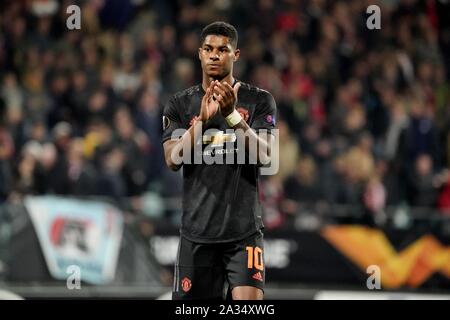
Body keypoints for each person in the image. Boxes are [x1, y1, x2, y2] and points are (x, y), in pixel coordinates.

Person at [162, 21, 277, 300]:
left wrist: (233, 117)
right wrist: (201, 122)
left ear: (235, 55)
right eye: (209, 49)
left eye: (223, 50)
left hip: (243, 234)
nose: (215, 55)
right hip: (197, 234)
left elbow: (266, 156)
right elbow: (173, 159)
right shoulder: (179, 104)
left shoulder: (258, 101)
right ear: (199, 53)